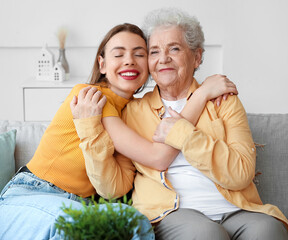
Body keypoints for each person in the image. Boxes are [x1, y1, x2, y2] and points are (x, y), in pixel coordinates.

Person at [0, 23, 236, 239]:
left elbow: (117, 184)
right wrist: (202, 94)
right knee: (75, 226)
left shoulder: (133, 114)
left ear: (149, 66)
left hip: (82, 205)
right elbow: (158, 156)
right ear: (102, 64)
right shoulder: (89, 97)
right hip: (28, 197)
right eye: (119, 54)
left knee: (135, 225)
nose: (129, 60)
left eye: (139, 54)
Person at [72, 8, 288, 240]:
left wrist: (183, 134)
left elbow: (241, 173)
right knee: (206, 234)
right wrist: (90, 131)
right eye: (154, 51)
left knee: (268, 229)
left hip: (237, 209)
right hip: (171, 213)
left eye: (174, 49)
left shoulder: (224, 100)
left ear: (197, 57)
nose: (163, 58)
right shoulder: (132, 111)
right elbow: (114, 188)